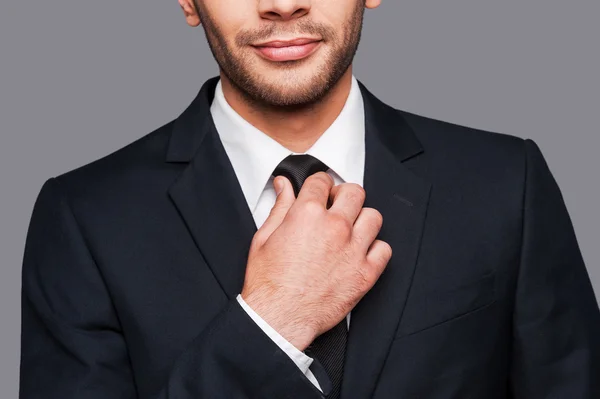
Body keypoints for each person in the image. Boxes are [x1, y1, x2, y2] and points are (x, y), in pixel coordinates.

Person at [19, 0, 600, 397]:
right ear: (189, 2)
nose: (282, 3)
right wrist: (272, 324)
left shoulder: (506, 182)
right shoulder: (83, 217)